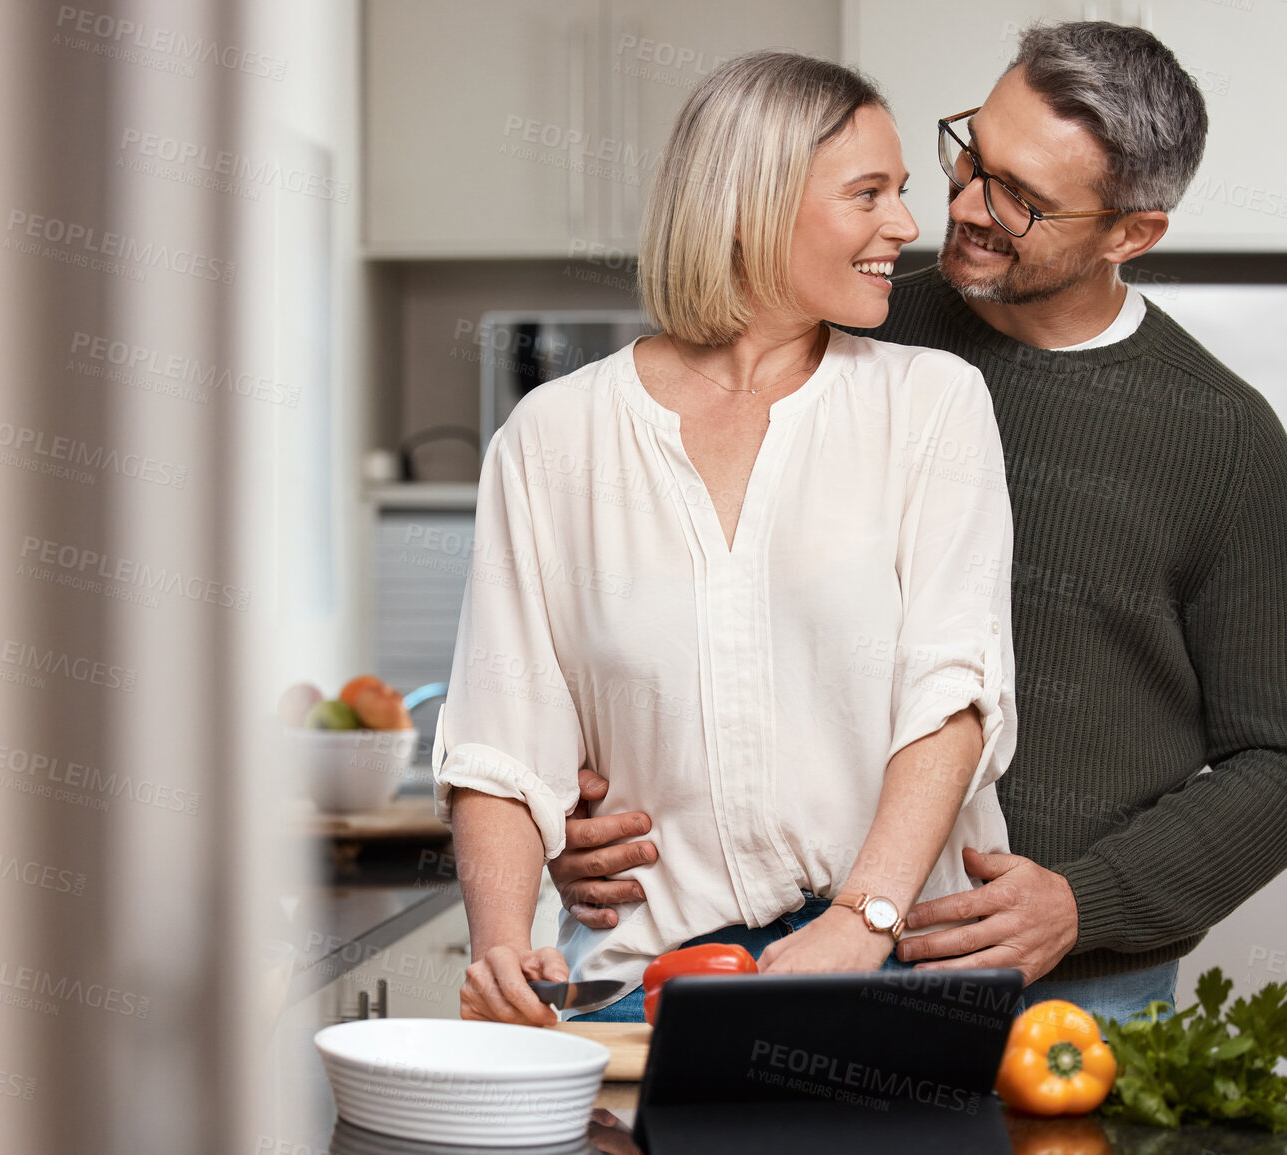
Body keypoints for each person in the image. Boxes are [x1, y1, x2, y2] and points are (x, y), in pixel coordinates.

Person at [550, 22, 1287, 1025]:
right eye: (972, 155)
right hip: (793, 947)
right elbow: (681, 605)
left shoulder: (1220, 438)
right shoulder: (843, 324)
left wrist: (1082, 902)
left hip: (1072, 995)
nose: (963, 207)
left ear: (1130, 234)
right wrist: (587, 796)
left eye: (1024, 200)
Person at [433, 51, 1018, 1026]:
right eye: (868, 193)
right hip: (648, 986)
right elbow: (501, 743)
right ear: (752, 201)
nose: (907, 227)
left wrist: (859, 921)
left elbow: (952, 695)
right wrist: (503, 954)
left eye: (903, 191)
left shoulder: (930, 404)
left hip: (899, 966)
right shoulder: (556, 436)